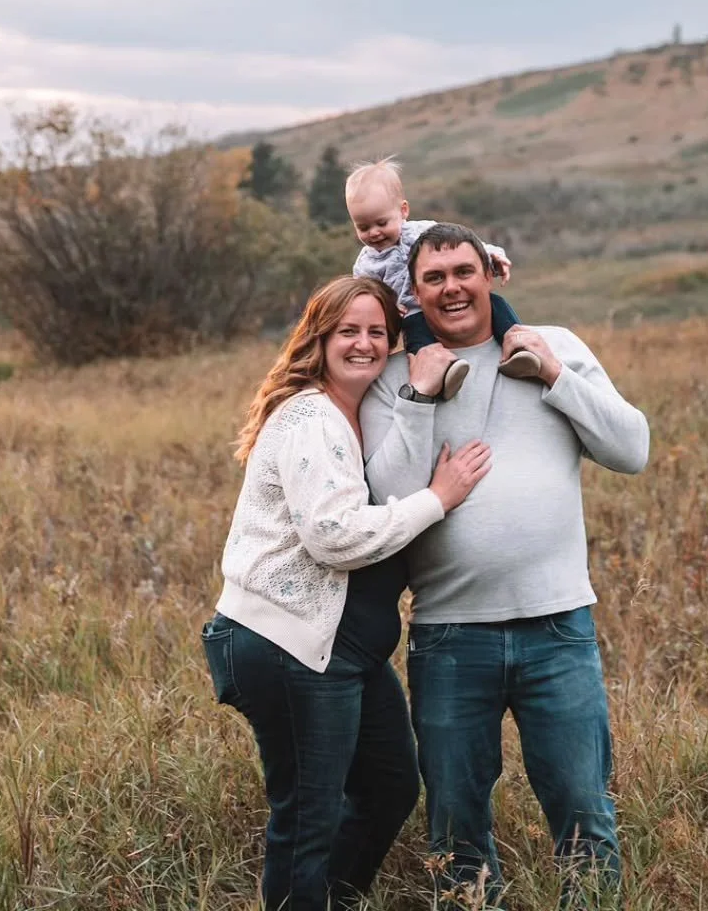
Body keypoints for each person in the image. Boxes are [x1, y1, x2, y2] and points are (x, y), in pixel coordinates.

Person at [360, 224, 650, 906]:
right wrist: (422, 396)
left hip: (560, 630)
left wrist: (553, 373)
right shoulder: (395, 377)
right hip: (451, 638)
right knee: (457, 830)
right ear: (414, 292)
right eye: (433, 278)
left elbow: (631, 448)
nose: (451, 287)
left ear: (489, 273)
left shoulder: (556, 345)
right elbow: (389, 498)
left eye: (463, 271)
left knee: (585, 814)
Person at [202, 274, 491, 911]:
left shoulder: (355, 413)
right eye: (347, 331)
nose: (362, 343)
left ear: (394, 342)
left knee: (389, 787)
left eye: (376, 333)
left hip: (339, 649)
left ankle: (331, 900)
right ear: (320, 338)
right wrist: (436, 500)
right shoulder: (311, 415)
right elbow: (331, 536)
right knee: (308, 820)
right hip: (286, 640)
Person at [345, 157, 539, 398]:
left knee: (494, 304)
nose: (374, 233)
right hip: (413, 311)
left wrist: (493, 257)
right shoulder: (366, 263)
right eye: (363, 227)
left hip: (442, 301)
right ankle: (441, 372)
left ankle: (518, 346)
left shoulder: (422, 232)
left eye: (381, 223)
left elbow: (465, 247)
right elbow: (366, 295)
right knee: (417, 337)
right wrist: (388, 309)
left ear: (403, 211)